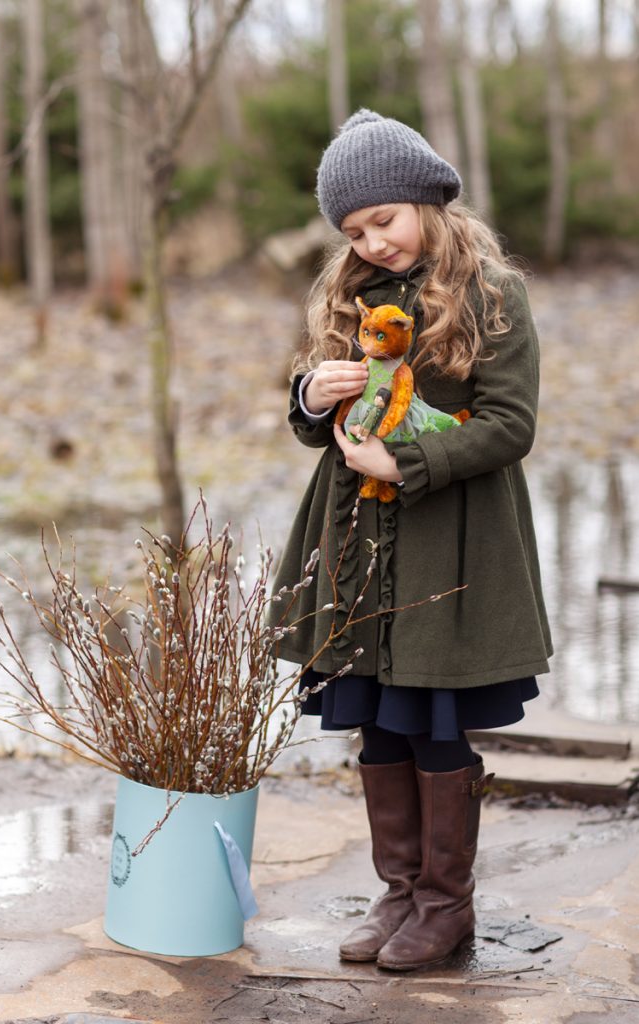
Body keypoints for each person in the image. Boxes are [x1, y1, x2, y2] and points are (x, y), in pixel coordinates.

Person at [269, 109, 552, 972]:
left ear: (427, 198)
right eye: (353, 230)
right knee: (376, 724)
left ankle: (444, 905)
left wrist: (408, 464)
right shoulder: (347, 296)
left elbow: (509, 425)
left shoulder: (493, 293)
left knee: (431, 720)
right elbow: (323, 428)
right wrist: (314, 396)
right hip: (358, 542)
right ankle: (396, 895)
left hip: (451, 541)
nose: (372, 241)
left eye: (382, 220)